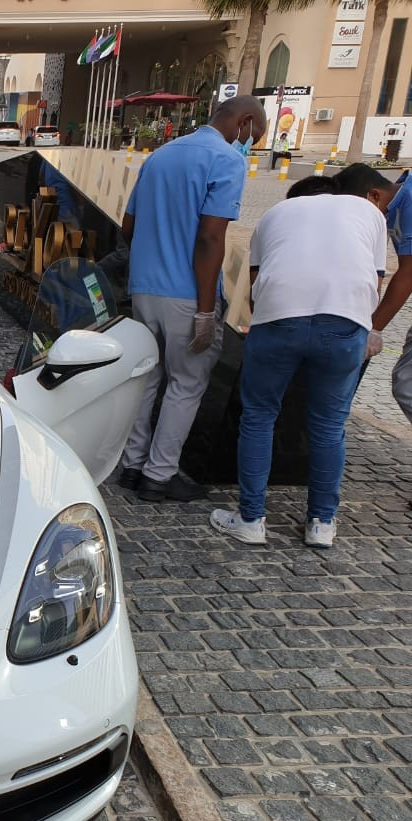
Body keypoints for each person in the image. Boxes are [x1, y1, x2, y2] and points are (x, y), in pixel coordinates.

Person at [210, 164, 397, 548]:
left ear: (295, 198)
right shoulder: (368, 213)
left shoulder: (274, 215)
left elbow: (256, 287)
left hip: (279, 320)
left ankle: (250, 520)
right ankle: (321, 524)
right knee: (329, 426)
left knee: (259, 417)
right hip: (344, 322)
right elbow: (373, 282)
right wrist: (368, 329)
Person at [117, 94, 267, 502]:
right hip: (186, 293)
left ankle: (132, 465)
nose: (250, 144)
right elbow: (210, 237)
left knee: (147, 379)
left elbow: (128, 226)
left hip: (144, 288)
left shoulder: (161, 156)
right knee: (186, 384)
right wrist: (206, 309)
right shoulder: (226, 159)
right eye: (255, 135)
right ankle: (159, 475)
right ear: (246, 121)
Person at [372, 168, 412, 428]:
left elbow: (408, 273)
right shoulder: (397, 197)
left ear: (373, 195)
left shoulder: (408, 200)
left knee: (408, 385)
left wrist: (373, 328)